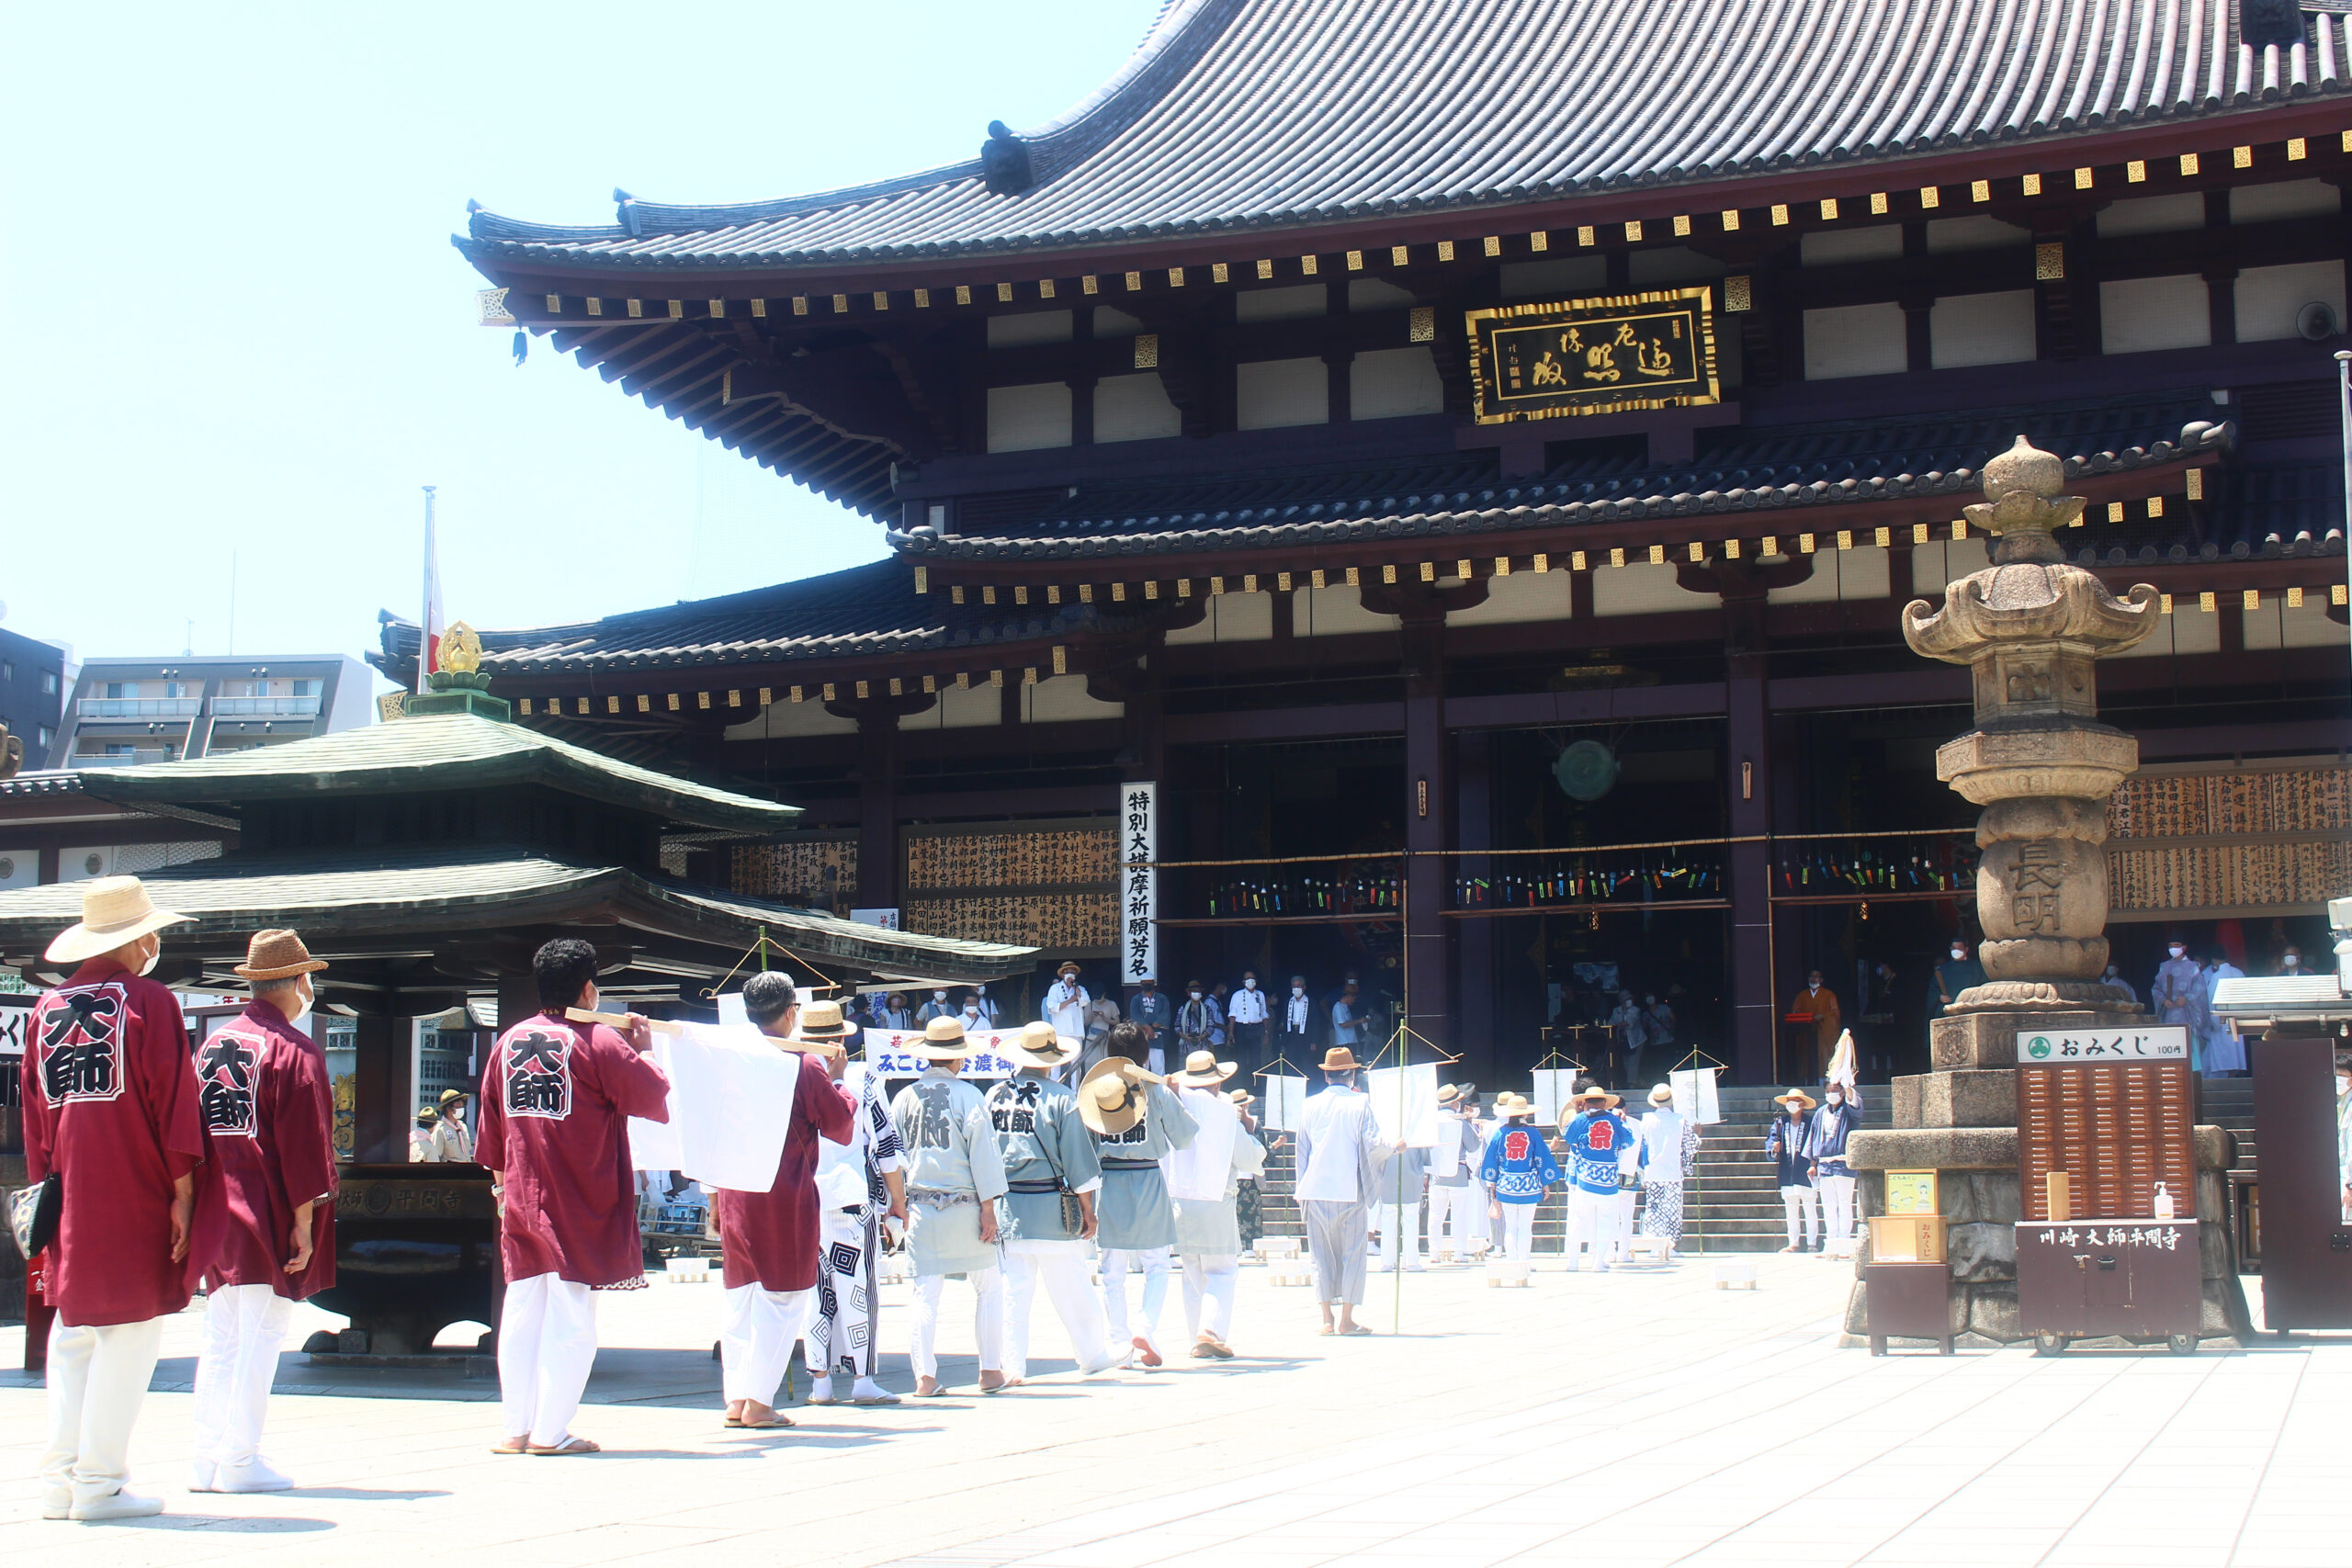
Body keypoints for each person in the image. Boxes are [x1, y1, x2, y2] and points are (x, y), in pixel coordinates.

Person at [24, 876, 203, 1521]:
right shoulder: (151, 1001)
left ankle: (58, 1481)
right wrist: (182, 1189)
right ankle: (101, 1482)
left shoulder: (46, 1010)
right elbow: (171, 1099)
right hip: (135, 1186)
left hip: (70, 1188)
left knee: (72, 1334)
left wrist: (48, 1189)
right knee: (129, 1333)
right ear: (139, 938)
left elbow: (36, 1116)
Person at [475, 937, 670, 1457]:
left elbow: (491, 1134)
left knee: (521, 1311)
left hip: (518, 1194)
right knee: (571, 1315)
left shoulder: (509, 1043)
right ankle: (550, 1431)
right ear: (588, 989)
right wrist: (646, 1048)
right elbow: (650, 1094)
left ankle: (516, 1428)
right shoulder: (598, 1040)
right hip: (577, 1195)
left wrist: (500, 1190)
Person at [187, 929, 338, 1494]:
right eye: (310, 980)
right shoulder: (294, 1051)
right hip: (264, 1211)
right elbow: (304, 1148)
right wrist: (303, 1224)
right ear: (298, 982)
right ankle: (240, 1459)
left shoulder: (212, 1047)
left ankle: (207, 1458)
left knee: (222, 1337)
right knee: (259, 1337)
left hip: (216, 1211)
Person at [710, 972, 855, 1431]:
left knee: (741, 1298)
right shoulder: (803, 1064)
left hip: (734, 1187)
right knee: (784, 1297)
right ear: (791, 1012)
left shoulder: (728, 1057)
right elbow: (839, 1126)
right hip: (782, 1192)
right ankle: (758, 1401)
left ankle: (737, 1398)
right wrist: (838, 1081)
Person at [988, 1021, 1125, 1384]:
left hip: (1006, 1209)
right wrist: (1088, 1211)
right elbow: (1078, 1162)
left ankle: (1011, 1366)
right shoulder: (1062, 1099)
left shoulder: (994, 1096)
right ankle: (1092, 1354)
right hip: (1052, 1208)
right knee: (1074, 1287)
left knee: (1013, 1293)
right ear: (1050, 1059)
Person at [888, 1015, 1011, 1396]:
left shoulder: (904, 1097)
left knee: (925, 1294)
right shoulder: (970, 1096)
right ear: (957, 1058)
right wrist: (989, 1209)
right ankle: (990, 1369)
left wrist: (896, 1205)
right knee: (989, 1287)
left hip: (921, 1205)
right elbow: (985, 1158)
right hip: (967, 1205)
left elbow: (892, 1156)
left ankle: (925, 1377)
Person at [800, 998, 908, 1408]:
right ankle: (862, 1379)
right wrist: (898, 1201)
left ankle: (820, 1383)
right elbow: (885, 1146)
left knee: (816, 1293)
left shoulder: (789, 1075)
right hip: (848, 1197)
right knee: (857, 1289)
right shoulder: (861, 1080)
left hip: (805, 1197)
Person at [1081, 1025, 1198, 1367]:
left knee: (1112, 1271)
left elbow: (1085, 1147)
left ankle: (1119, 1342)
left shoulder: (1097, 1092)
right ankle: (1146, 1325)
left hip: (1110, 1182)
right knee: (1157, 1263)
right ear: (1146, 1053)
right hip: (1148, 1176)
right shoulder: (1155, 1091)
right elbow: (1186, 1139)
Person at [1165, 1050, 1265, 1359]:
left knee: (1192, 1270)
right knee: (1221, 1270)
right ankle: (1209, 1330)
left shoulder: (1173, 1105)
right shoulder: (1223, 1113)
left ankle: (1197, 1336)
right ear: (1216, 1084)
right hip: (1215, 1197)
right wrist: (1251, 1134)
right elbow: (1249, 1158)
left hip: (1179, 1197)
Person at [1294, 1045, 1388, 1336]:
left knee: (1319, 1255)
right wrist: (1394, 1148)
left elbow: (1301, 1151)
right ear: (1353, 1074)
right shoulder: (1361, 1104)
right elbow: (1374, 1145)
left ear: (1326, 1075)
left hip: (1315, 1188)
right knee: (1353, 1254)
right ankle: (1347, 1319)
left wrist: (1301, 1192)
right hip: (1349, 1188)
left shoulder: (1309, 1105)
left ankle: (1326, 1319)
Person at [1478, 1093, 1558, 1269]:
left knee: (1511, 1227)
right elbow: (1541, 1159)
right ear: (1526, 1114)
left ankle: (1512, 1261)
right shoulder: (1533, 1133)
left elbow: (1491, 1160)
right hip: (1529, 1186)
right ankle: (1524, 1261)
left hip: (1506, 1186)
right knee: (1525, 1227)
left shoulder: (1500, 1133)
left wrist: (1493, 1186)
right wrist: (1545, 1184)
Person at [1559, 1085, 1632, 1272]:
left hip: (1585, 1178)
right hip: (1608, 1178)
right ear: (1604, 1103)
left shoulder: (1581, 1119)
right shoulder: (1614, 1121)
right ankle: (1598, 1262)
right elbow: (1628, 1140)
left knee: (1578, 1218)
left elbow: (1567, 1136)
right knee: (1606, 1220)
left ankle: (1573, 1261)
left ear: (1585, 1103)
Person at [1635, 1084, 1700, 1256]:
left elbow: (1641, 1144)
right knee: (1672, 1209)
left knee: (1654, 1207)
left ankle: (1653, 1243)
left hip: (1653, 1169)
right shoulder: (1680, 1120)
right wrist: (1698, 1134)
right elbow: (1690, 1144)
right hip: (1672, 1170)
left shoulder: (1646, 1120)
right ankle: (1669, 1245)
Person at [1424, 1084, 1482, 1258]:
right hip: (1458, 1171)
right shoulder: (1460, 1122)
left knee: (1435, 1215)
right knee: (1459, 1214)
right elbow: (1473, 1147)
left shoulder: (1430, 1122)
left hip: (1436, 1173)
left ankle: (1434, 1251)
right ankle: (1458, 1251)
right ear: (1455, 1103)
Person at [1767, 1089, 1821, 1254]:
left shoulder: (1811, 1123)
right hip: (1787, 1170)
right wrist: (1774, 1148)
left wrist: (1814, 1163)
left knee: (1810, 1208)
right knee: (1791, 1209)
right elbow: (1772, 1140)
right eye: (1789, 1101)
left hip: (1805, 1169)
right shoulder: (1781, 1123)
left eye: (1795, 1101)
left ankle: (1812, 1243)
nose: (1792, 1104)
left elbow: (1817, 1143)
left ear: (1802, 1104)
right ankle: (1793, 1242)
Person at [1809, 1083, 1860, 1251]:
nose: (1831, 1094)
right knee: (1828, 1205)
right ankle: (1831, 1240)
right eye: (1828, 1091)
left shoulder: (1847, 1110)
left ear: (1841, 1092)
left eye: (1835, 1091)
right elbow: (1813, 1138)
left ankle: (1844, 1240)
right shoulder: (1820, 1112)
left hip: (1843, 1164)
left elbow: (1856, 1105)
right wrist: (1813, 1163)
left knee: (1844, 1203)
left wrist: (1848, 1086)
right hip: (1824, 1164)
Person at [2153, 938, 2206, 1069]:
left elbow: (2199, 989)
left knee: (2189, 1046)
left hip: (2187, 1015)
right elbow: (2156, 988)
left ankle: (2193, 1075)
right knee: (2169, 1047)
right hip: (2168, 1015)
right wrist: (2163, 1000)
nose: (2173, 948)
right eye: (2170, 945)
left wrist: (2187, 998)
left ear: (2184, 947)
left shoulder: (2193, 966)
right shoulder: (2164, 966)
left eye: (2176, 945)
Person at [1787, 971, 1842, 1082]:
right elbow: (1795, 1011)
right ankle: (1807, 1080)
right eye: (1811, 977)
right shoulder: (1802, 995)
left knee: (1823, 1055)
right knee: (1805, 1055)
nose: (1813, 979)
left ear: (1821, 980)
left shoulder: (1829, 994)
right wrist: (1805, 1018)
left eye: (1816, 977)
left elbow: (1834, 1012)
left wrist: (1822, 1016)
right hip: (1806, 1031)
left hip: (1823, 1030)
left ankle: (1824, 1080)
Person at [2201, 950, 2246, 1077]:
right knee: (2234, 1053)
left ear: (2214, 960)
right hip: (2238, 1020)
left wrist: (2212, 1022)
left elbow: (2211, 1001)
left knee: (2222, 1057)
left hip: (2220, 1021)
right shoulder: (2239, 973)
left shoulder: (2216, 976)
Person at [1126, 976, 1172, 1072]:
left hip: (1157, 1033)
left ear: (1153, 983)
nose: (1147, 984)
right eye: (1145, 982)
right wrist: (1147, 1027)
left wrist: (1156, 1024)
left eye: (1149, 982)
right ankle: (1142, 1085)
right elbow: (1135, 1015)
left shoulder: (1162, 998)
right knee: (1142, 1063)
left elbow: (1165, 1013)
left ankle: (1160, 1085)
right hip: (1142, 1033)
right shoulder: (1136, 999)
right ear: (1141, 984)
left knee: (1158, 1062)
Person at [1226, 971, 1268, 1073]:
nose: (1250, 981)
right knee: (1241, 1059)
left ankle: (1256, 1086)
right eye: (1247, 978)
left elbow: (1264, 1014)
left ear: (1256, 981)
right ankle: (1242, 1085)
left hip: (1256, 1028)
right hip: (1241, 1029)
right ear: (1243, 981)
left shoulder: (1260, 995)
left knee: (1256, 1059)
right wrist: (1231, 1033)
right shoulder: (1237, 995)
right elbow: (1232, 1015)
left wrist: (1266, 1033)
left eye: (1252, 978)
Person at [1933, 941, 1986, 1016]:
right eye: (1954, 948)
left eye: (1959, 948)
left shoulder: (1977, 967)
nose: (1956, 951)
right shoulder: (1943, 969)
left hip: (1970, 1010)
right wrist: (1939, 997)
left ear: (1966, 949)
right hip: (1948, 1011)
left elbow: (1984, 986)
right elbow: (1933, 989)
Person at [1607, 992, 1649, 1085]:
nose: (1629, 1001)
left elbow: (1629, 1022)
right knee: (1626, 1061)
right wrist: (1617, 1024)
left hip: (1636, 1040)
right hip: (1623, 1039)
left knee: (1633, 1062)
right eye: (1626, 999)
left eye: (1630, 999)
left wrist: (1619, 1023)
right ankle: (1640, 1081)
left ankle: (1631, 1084)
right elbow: (1611, 1023)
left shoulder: (1635, 1010)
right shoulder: (1616, 1010)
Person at [1043, 962, 1089, 1045]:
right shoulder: (1055, 988)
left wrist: (1075, 987)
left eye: (1072, 972)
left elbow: (1086, 1001)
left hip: (1077, 1032)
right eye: (1067, 972)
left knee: (1077, 1058)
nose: (1070, 974)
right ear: (1062, 975)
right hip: (1061, 1032)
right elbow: (1052, 1007)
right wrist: (1069, 1001)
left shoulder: (1080, 988)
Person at [431, 1089, 475, 1163]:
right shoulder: (440, 1130)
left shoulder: (462, 1127)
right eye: (457, 1106)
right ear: (448, 1109)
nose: (461, 1107)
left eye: (462, 1105)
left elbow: (467, 1152)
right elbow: (435, 1156)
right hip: (450, 1171)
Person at [1277, 975, 1315, 1060]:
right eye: (1294, 986)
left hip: (1306, 1035)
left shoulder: (1311, 1002)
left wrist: (1314, 1042)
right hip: (1291, 1035)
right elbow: (1284, 1020)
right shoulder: (1288, 1002)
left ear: (1304, 987)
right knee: (1291, 1061)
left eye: (1298, 986)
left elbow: (1315, 1023)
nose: (1296, 988)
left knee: (1306, 1061)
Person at [1175, 982, 1216, 1058]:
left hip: (1203, 1047)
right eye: (1194, 991)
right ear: (1189, 993)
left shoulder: (1207, 1009)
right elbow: (1177, 1026)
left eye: (1198, 991)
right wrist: (1184, 1036)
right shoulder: (1183, 1009)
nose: (1196, 993)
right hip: (1185, 1048)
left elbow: (1211, 1027)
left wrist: (1202, 1036)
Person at [1329, 982, 1363, 1051]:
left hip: (1351, 1041)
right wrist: (1359, 1021)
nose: (1354, 1001)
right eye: (1354, 999)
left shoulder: (1345, 1007)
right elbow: (1343, 1024)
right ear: (1349, 996)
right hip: (1344, 1042)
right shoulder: (1338, 1007)